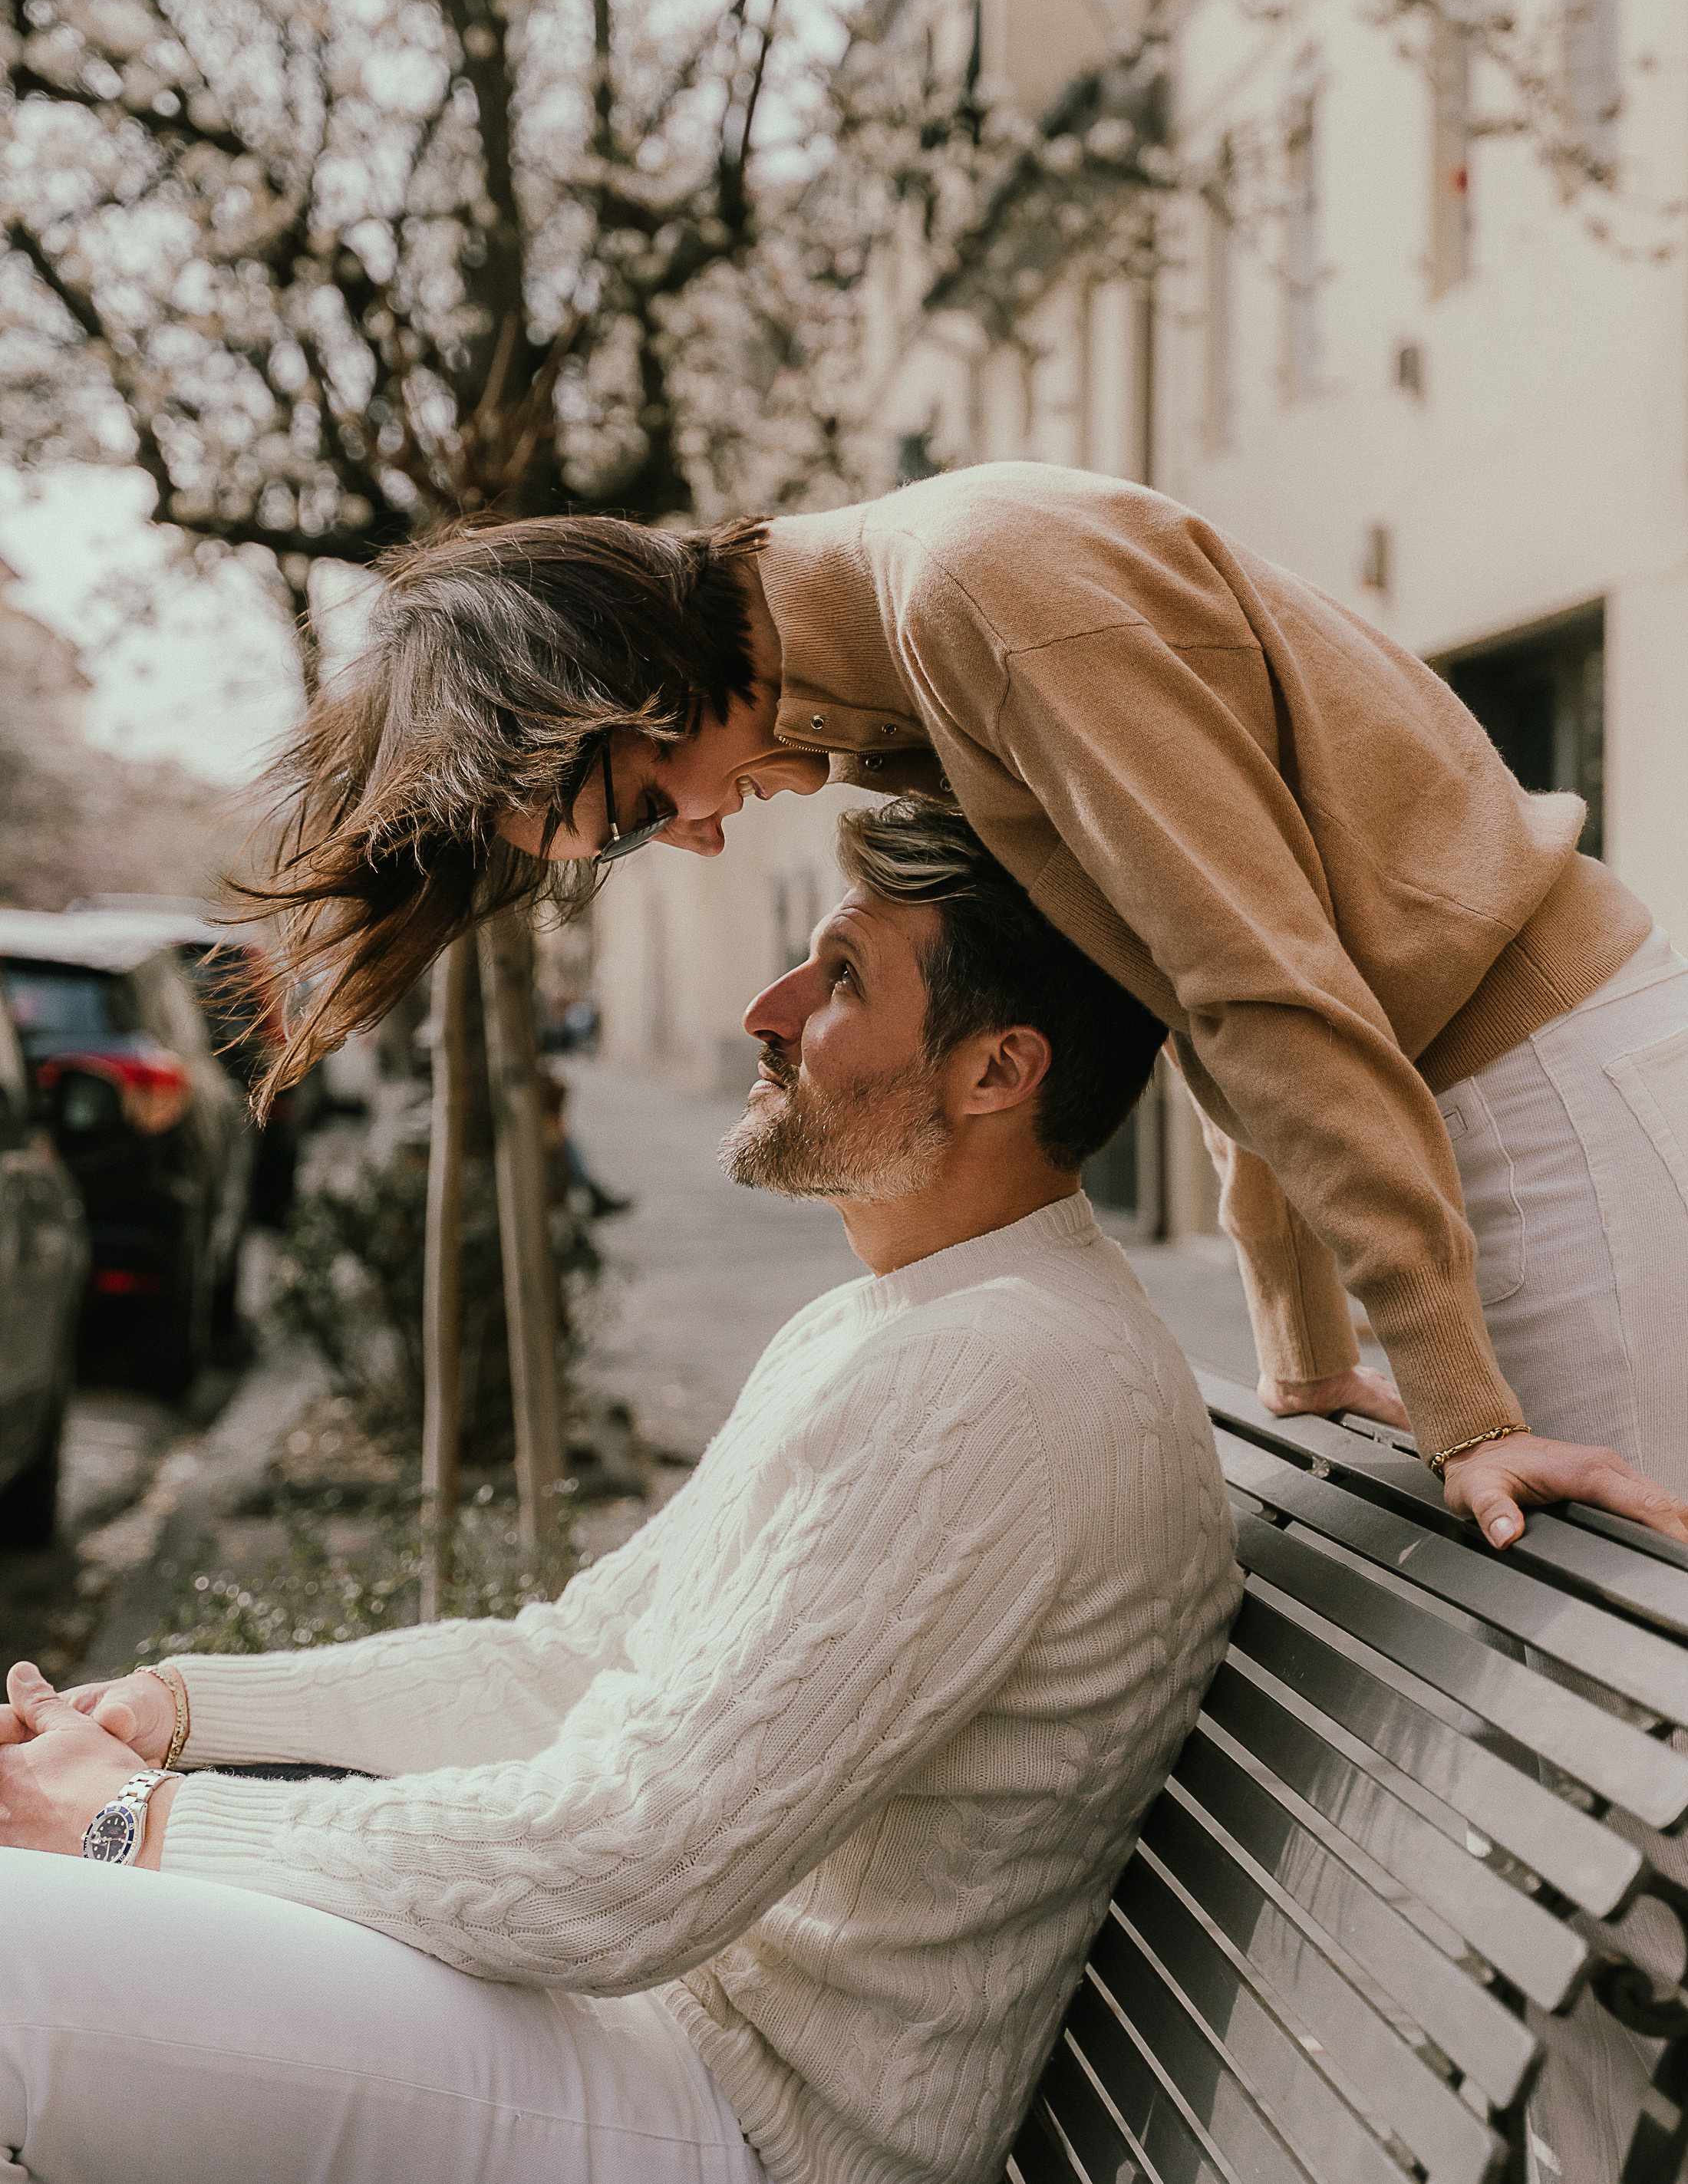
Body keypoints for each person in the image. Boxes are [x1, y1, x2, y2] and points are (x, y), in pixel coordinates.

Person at [0, 802, 1240, 2184]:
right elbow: (571, 1663)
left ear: (998, 1069)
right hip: (649, 2043)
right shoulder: (899, 1328)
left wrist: (132, 1822)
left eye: (841, 978)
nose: (766, 1011)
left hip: (739, 2121)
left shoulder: (995, 1382)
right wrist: (176, 1711)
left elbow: (618, 1873)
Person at [242, 465, 1688, 1553]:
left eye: (627, 813)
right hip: (1480, 1094)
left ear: (625, 677)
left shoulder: (976, 600)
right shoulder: (905, 665)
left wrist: (1462, 1404)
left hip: (1547, 1088)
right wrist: (1307, 1342)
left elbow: (1261, 984)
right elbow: (1199, 982)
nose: (690, 840)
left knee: (1639, 1677)